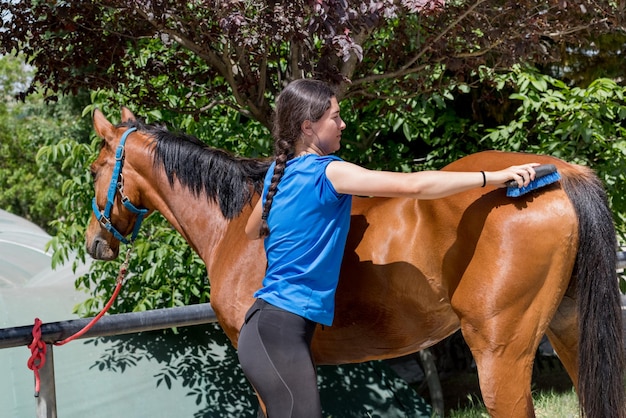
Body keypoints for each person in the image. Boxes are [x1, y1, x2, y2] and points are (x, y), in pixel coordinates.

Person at [238, 79, 538, 418]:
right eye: (334, 117)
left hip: (267, 330)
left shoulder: (279, 176)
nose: (342, 124)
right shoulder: (329, 173)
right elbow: (414, 185)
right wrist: (493, 178)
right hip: (279, 331)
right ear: (308, 127)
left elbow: (252, 231)